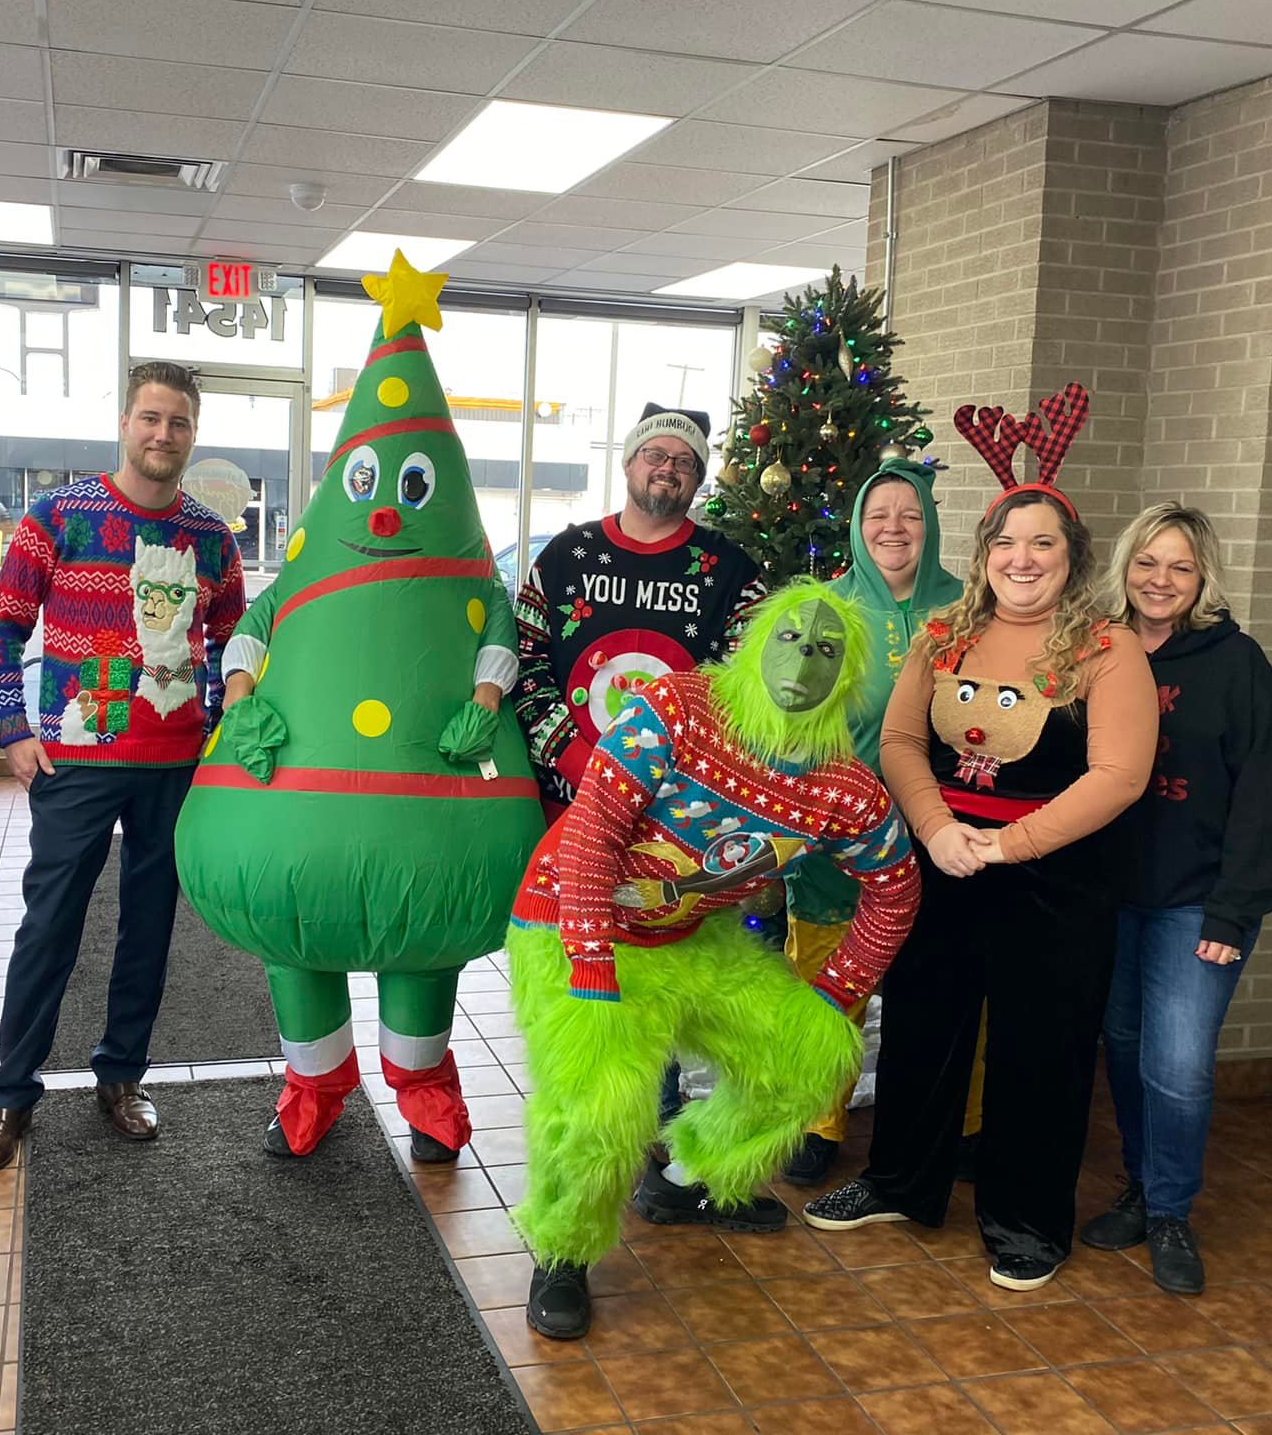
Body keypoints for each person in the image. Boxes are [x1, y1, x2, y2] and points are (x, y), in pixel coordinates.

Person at [176, 255, 544, 1164]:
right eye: (372, 486)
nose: (384, 514)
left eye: (413, 490)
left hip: (434, 825)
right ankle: (314, 1089)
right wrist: (242, 700)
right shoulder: (299, 582)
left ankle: (423, 1091)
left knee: (425, 948)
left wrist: (484, 700)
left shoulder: (473, 586)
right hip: (287, 816)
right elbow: (251, 633)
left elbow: (498, 641)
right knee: (297, 946)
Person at [802, 384, 1158, 1293]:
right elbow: (899, 740)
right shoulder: (945, 631)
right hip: (946, 863)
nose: (1021, 559)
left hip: (1058, 882)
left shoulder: (1109, 649)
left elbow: (1119, 776)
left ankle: (1027, 1220)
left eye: (1042, 544)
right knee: (922, 1030)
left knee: (1042, 1051)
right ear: (983, 553)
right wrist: (935, 828)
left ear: (1071, 557)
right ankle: (899, 1182)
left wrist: (1008, 845)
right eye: (1006, 542)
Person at [510, 580, 922, 1340]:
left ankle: (680, 1181)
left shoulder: (845, 790)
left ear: (847, 675)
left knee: (811, 1051)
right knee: (601, 1104)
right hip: (570, 923)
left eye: (827, 649)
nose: (804, 660)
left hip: (691, 939)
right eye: (790, 638)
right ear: (757, 643)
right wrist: (592, 965)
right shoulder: (674, 709)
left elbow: (896, 889)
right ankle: (561, 1249)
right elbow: (593, 833)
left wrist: (834, 995)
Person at [0, 361, 245, 1177]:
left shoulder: (211, 538)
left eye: (179, 422)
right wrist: (12, 731)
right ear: (124, 423)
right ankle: (9, 1094)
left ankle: (121, 1075)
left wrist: (221, 729)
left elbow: (233, 644)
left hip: (175, 765)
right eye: (150, 418)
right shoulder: (57, 517)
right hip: (76, 762)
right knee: (49, 924)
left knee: (149, 929)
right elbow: (1, 630)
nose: (163, 434)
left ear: (193, 433)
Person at [1081, 503, 1272, 1294]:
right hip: (1108, 898)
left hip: (1196, 905)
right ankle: (1141, 1189)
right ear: (1125, 568)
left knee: (1177, 1067)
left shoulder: (1237, 664)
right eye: (1147, 562)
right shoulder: (1096, 650)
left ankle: (1171, 1211)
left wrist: (1234, 911)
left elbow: (1264, 795)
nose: (1160, 579)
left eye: (1179, 566)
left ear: (1203, 577)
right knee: (1124, 1047)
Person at [781, 458, 962, 1184]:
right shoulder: (825, 610)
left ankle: (961, 1122)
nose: (894, 528)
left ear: (931, 525)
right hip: (839, 839)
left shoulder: (967, 607)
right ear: (857, 527)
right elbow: (790, 718)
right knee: (829, 978)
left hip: (945, 834)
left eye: (910, 515)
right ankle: (816, 1119)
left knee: (948, 985)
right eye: (878, 515)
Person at [511, 403, 767, 824]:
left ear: (697, 479)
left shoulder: (734, 572)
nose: (668, 468)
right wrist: (580, 763)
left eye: (684, 461)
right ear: (629, 463)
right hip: (566, 802)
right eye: (655, 454)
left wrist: (680, 778)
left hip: (680, 811)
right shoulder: (565, 556)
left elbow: (749, 687)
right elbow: (525, 662)